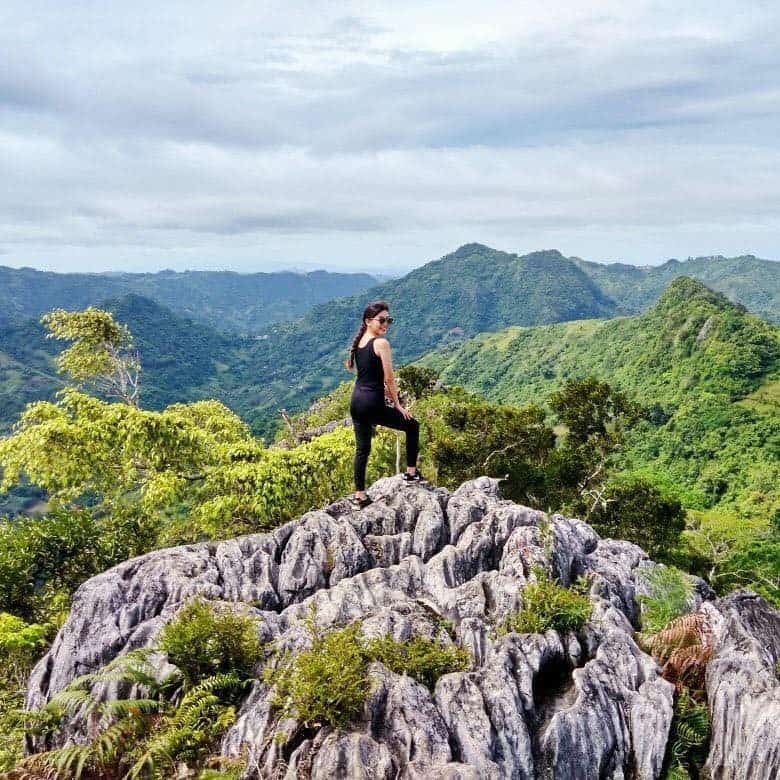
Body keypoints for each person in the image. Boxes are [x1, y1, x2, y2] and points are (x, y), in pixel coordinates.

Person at [345, 300, 424, 508]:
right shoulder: (381, 344)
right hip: (372, 402)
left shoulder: (361, 341)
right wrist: (397, 405)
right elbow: (389, 378)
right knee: (412, 425)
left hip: (357, 401)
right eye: (381, 320)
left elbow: (371, 376)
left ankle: (359, 497)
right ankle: (411, 474)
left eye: (388, 320)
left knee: (362, 450)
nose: (385, 324)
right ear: (368, 321)